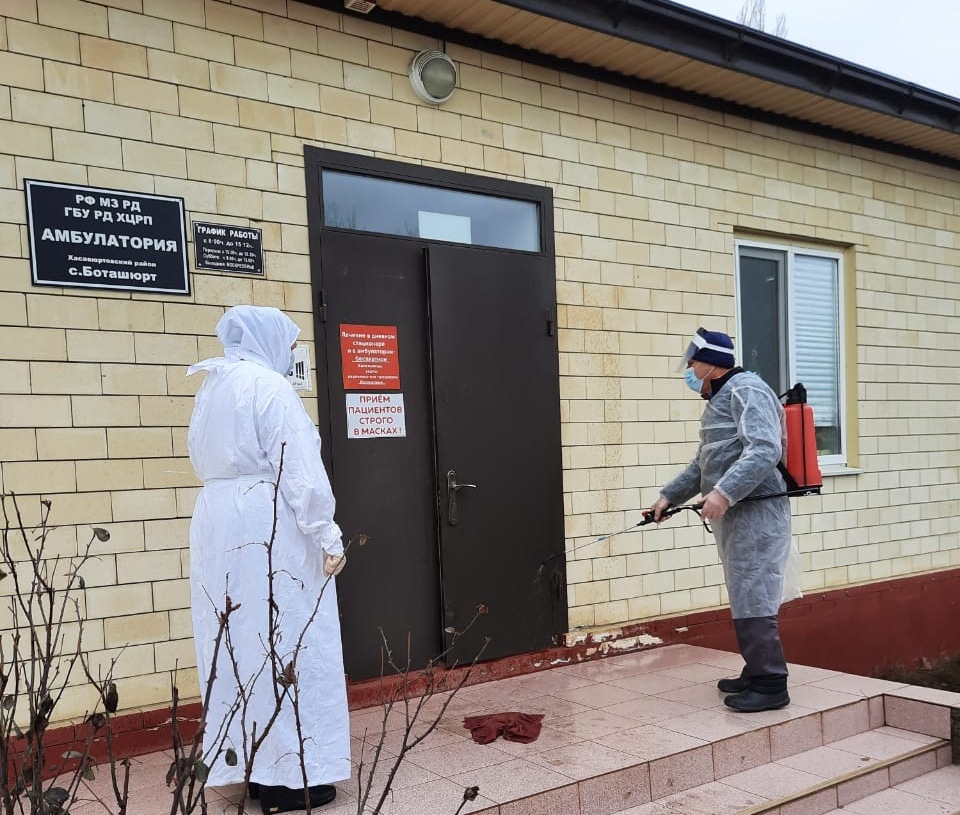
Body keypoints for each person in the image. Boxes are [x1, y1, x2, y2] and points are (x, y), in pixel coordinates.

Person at [187, 305, 350, 813]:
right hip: (266, 523)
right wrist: (328, 535)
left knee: (237, 641)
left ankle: (253, 768)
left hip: (216, 525)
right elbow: (299, 467)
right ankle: (291, 778)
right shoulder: (269, 386)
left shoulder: (213, 386)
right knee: (288, 638)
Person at [649, 328, 794, 713]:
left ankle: (771, 683)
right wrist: (668, 497)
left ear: (712, 364)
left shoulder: (747, 389)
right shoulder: (721, 397)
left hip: (757, 514)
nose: (690, 370)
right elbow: (705, 463)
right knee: (745, 591)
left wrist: (724, 493)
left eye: (694, 363)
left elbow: (764, 449)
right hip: (737, 518)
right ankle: (756, 669)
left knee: (754, 593)